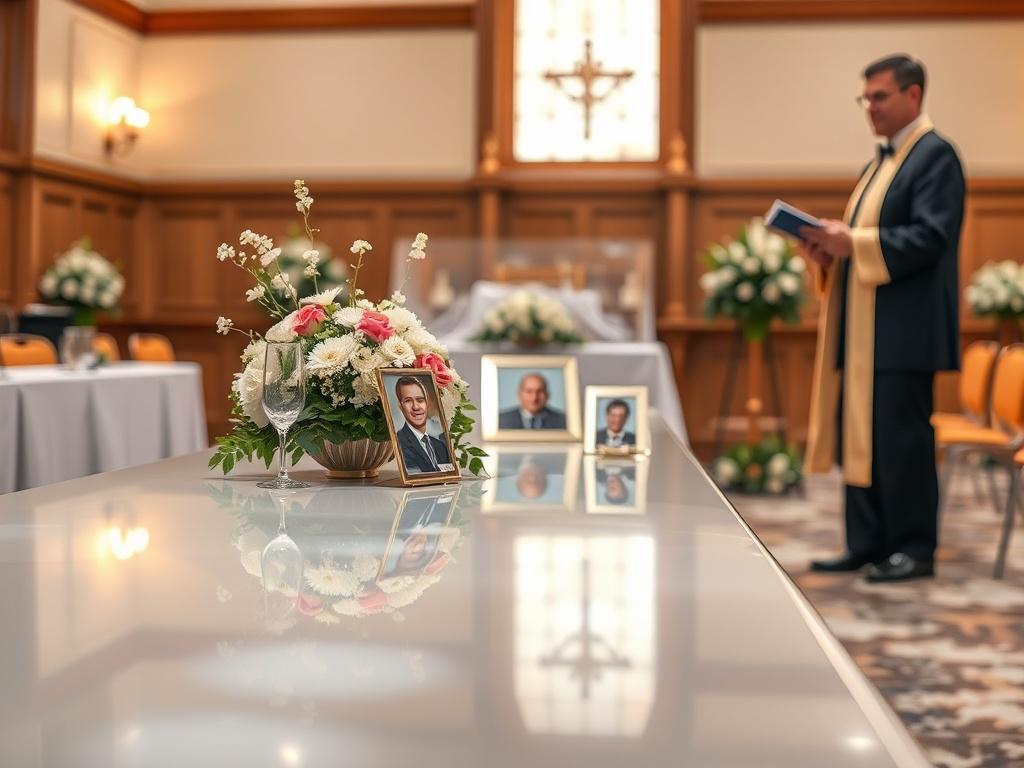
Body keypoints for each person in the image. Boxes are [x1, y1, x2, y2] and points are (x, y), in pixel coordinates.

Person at [800, 54, 964, 583]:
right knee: (862, 437)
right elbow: (866, 239)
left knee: (901, 441)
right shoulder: (879, 163)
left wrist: (856, 242)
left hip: (905, 332)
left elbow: (932, 237)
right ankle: (868, 542)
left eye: (880, 96)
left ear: (913, 96)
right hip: (866, 328)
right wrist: (831, 249)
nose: (869, 107)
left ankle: (913, 547)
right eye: (865, 98)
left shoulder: (935, 157)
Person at [393, 376, 452, 475]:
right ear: (400, 405)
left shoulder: (441, 446)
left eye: (420, 400)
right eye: (408, 401)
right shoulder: (398, 443)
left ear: (427, 403)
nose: (416, 407)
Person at [498, 372, 567, 429]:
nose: (534, 398)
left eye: (539, 391)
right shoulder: (501, 420)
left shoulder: (564, 421)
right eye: (529, 391)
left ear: (547, 395)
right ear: (519, 394)